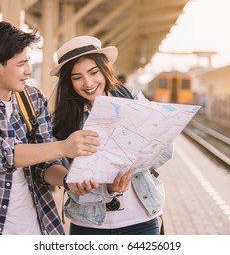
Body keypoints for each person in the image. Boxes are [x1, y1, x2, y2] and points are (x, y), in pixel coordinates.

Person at [0, 21, 100, 235]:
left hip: (38, 227)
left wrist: (68, 180)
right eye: (21, 64)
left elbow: (44, 165)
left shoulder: (34, 98)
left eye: (28, 62)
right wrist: (64, 147)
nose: (29, 70)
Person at [50, 36, 173, 235]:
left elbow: (162, 152)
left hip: (141, 220)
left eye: (93, 72)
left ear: (104, 69)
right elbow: (66, 177)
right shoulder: (64, 119)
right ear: (68, 81)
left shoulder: (132, 98)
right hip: (88, 224)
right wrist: (105, 188)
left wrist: (134, 164)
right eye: (77, 77)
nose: (88, 83)